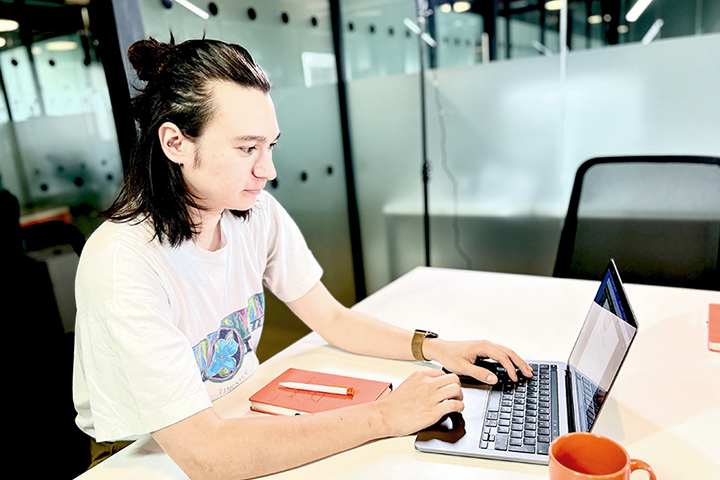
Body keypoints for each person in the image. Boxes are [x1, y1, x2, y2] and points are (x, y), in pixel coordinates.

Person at [72, 37, 532, 479]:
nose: (266, 170)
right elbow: (206, 457)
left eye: (270, 146)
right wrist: (382, 418)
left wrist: (437, 348)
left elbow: (331, 318)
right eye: (246, 148)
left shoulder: (251, 211)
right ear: (175, 143)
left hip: (236, 416)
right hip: (141, 455)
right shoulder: (123, 264)